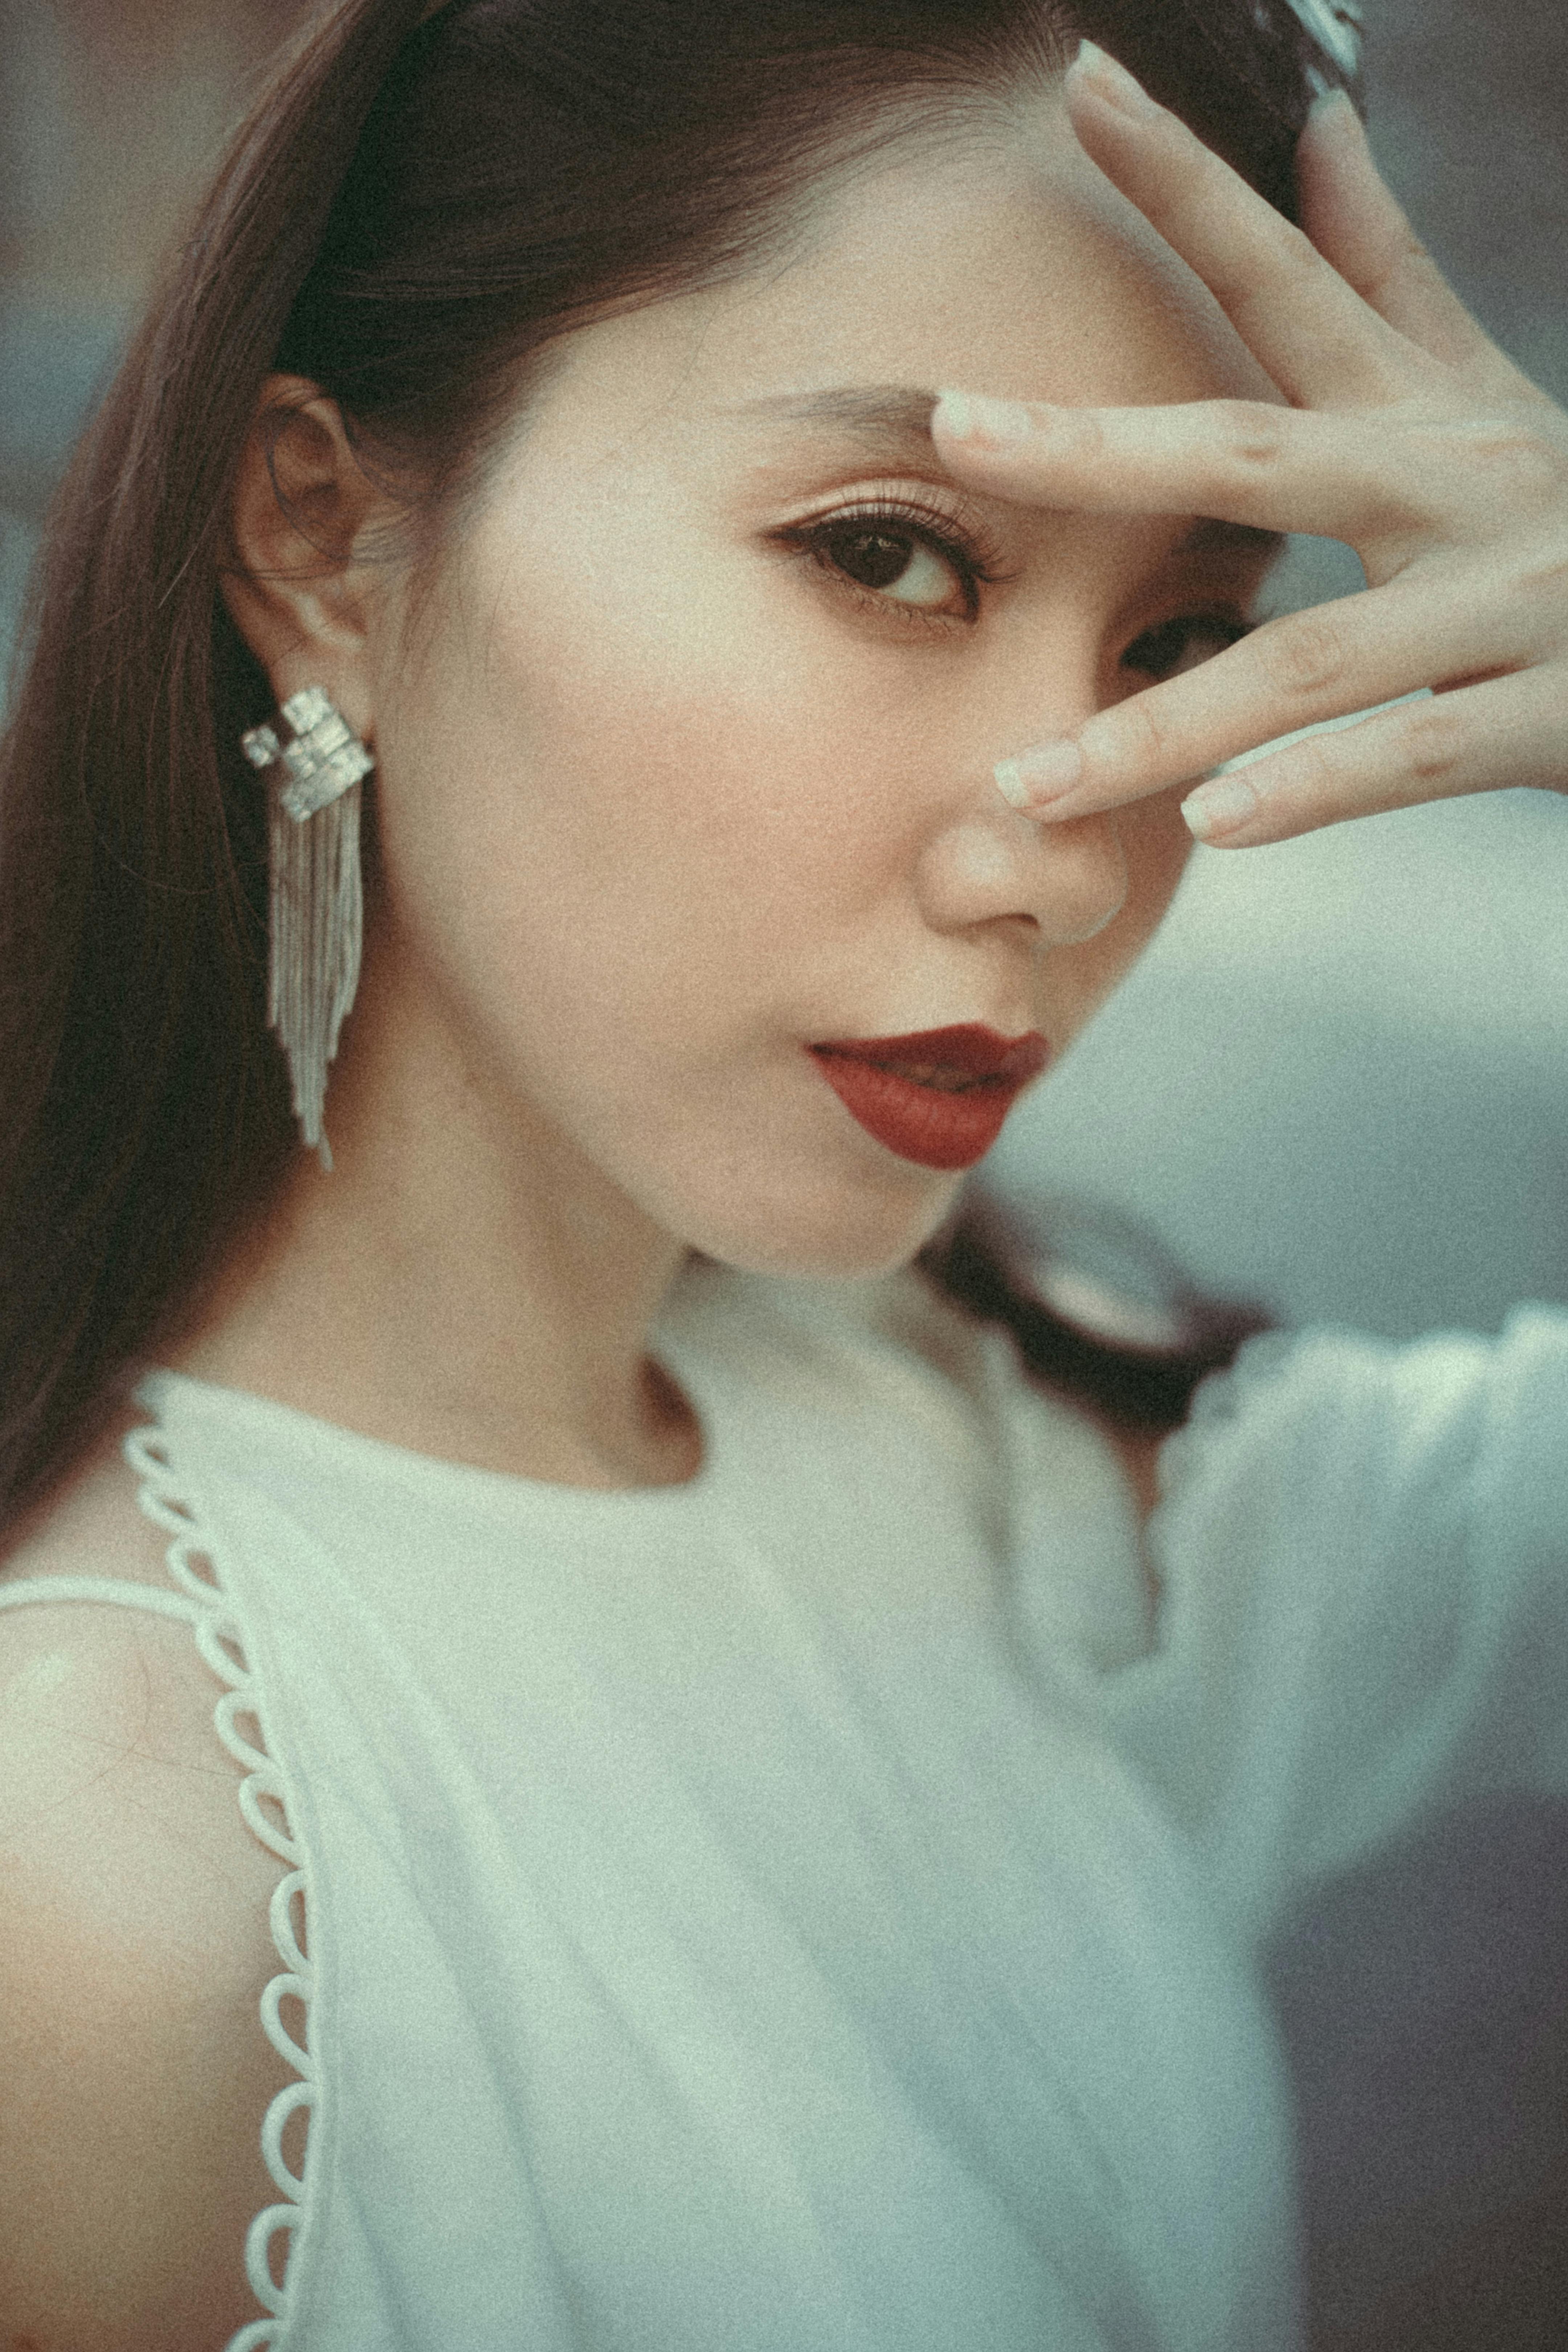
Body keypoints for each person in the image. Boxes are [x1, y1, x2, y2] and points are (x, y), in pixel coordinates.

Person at [0, 0, 1563, 2345]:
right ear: (317, 528)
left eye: (1187, 632)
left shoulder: (1024, 1485)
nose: (1070, 839)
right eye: (893, 556)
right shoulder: (108, 1891)